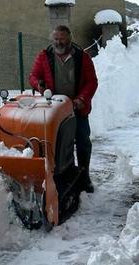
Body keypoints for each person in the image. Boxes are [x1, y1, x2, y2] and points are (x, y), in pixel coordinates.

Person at [29, 25, 98, 193]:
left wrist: (81, 99)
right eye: (56, 39)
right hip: (54, 109)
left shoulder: (82, 57)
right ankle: (63, 175)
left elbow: (92, 82)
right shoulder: (44, 56)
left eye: (62, 38)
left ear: (70, 39)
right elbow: (33, 76)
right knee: (58, 144)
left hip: (77, 108)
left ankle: (84, 176)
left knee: (82, 142)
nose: (59, 42)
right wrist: (38, 84)